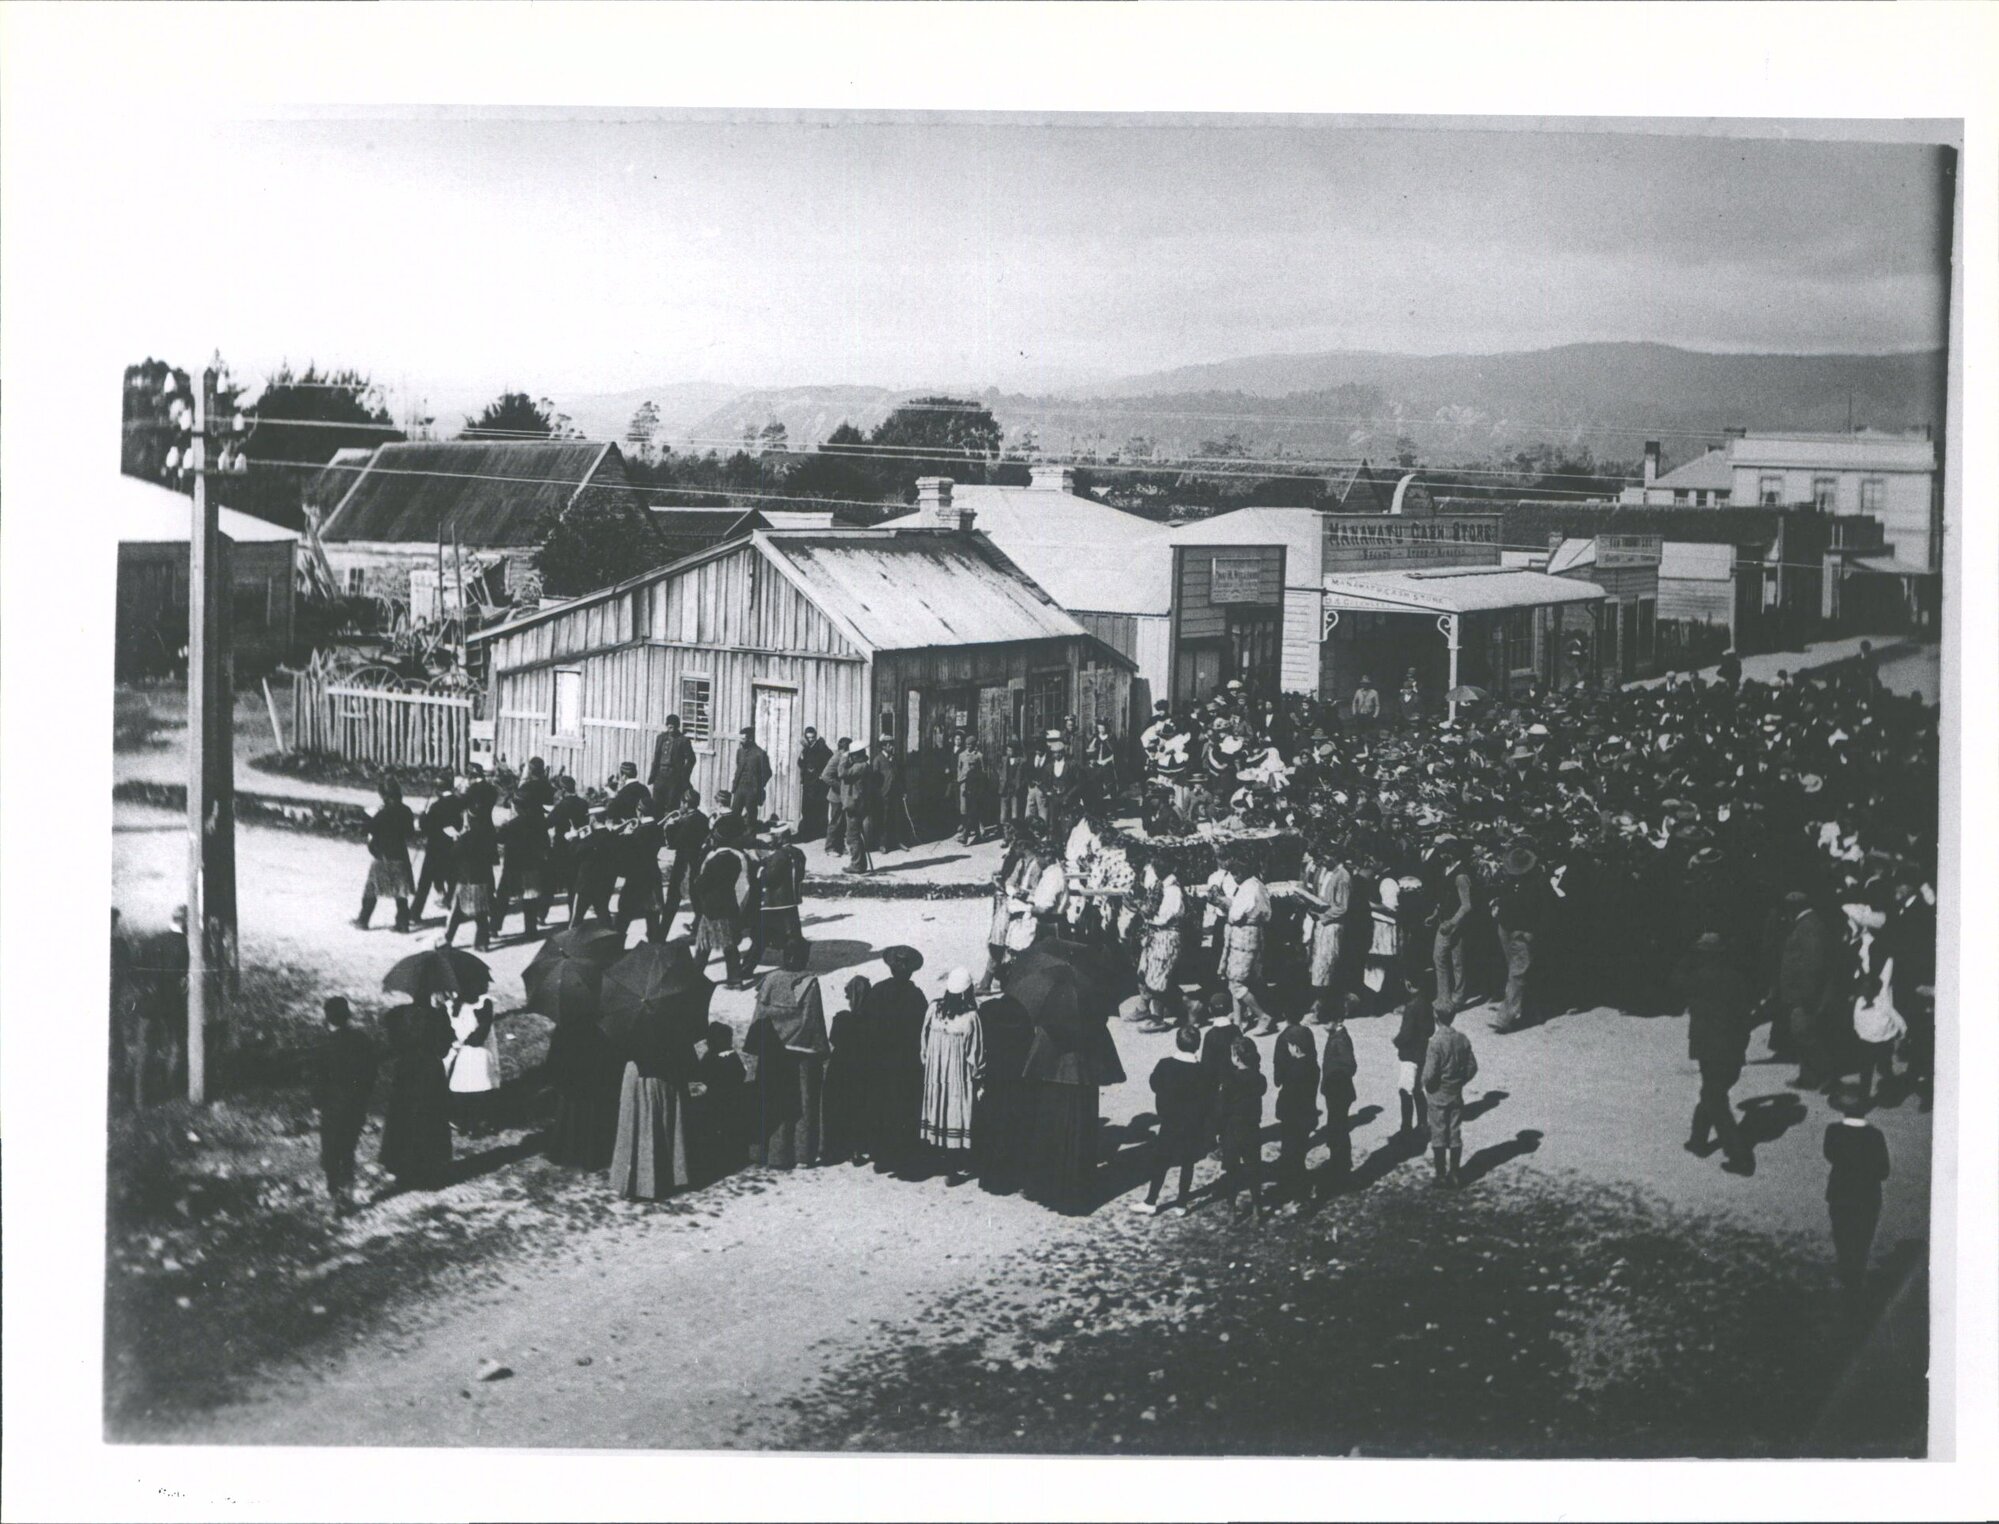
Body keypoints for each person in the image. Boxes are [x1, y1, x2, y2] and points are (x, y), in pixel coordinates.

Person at [608, 944, 703, 1201]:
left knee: (634, 1129)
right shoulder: (674, 1017)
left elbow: (618, 1051)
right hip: (665, 1079)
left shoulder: (624, 1015)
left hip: (635, 1077)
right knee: (664, 1128)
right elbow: (689, 1059)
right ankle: (666, 1177)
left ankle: (633, 1180)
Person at [743, 939, 831, 1170]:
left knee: (772, 1100)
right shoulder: (809, 983)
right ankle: (802, 1155)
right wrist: (821, 1050)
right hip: (801, 1054)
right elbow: (813, 1019)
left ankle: (769, 1154)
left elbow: (759, 1016)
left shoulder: (770, 980)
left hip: (772, 1052)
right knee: (803, 1102)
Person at [1675, 930, 1754, 1175]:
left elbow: (1675, 981)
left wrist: (1687, 956)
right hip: (1732, 1047)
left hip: (1710, 1049)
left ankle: (1740, 1158)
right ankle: (1697, 1141)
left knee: (1715, 1099)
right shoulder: (1737, 978)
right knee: (1712, 1091)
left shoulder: (1697, 978)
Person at [850, 945, 929, 1173]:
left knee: (879, 1106)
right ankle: (898, 1155)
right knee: (901, 1108)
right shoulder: (916, 996)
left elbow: (866, 1025)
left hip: (879, 1061)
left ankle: (879, 1153)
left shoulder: (878, 991)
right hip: (904, 1063)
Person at [1824, 1094, 1890, 1314]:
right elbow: (1884, 1171)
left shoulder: (1833, 1131)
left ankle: (1846, 1278)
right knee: (1863, 1238)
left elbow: (1829, 1154)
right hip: (1868, 1194)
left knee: (1842, 1235)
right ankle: (1857, 1279)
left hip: (1841, 1191)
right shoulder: (1876, 1135)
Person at [379, 996, 452, 1192]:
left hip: (406, 1070)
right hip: (429, 1071)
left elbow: (392, 1042)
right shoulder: (438, 1016)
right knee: (430, 1118)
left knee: (403, 1117)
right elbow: (445, 1048)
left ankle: (403, 1171)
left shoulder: (398, 1014)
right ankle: (429, 1172)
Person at [1132, 1025, 1205, 1217]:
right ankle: (1181, 1204)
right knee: (1188, 1163)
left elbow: (1154, 1084)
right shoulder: (1202, 1070)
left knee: (1161, 1161)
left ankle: (1151, 1201)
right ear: (1198, 1046)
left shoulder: (1165, 1064)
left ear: (1177, 1042)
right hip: (1192, 1125)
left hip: (1169, 1122)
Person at [919, 968, 985, 1182]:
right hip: (957, 1075)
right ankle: (953, 1168)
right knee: (955, 1111)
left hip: (936, 1073)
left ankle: (937, 1156)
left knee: (938, 1109)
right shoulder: (970, 1017)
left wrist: (929, 1062)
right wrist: (978, 1075)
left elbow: (924, 1041)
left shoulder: (934, 1009)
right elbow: (975, 1053)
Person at [1777, 891, 1847, 1091]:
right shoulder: (1808, 923)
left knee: (1804, 1034)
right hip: (1801, 994)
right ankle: (1808, 1078)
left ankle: (1828, 1076)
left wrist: (1805, 996)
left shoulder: (1808, 927)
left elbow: (1812, 965)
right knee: (1802, 1034)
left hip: (1805, 996)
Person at [313, 996, 377, 1213]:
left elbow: (318, 1078)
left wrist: (317, 1104)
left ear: (328, 1018)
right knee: (348, 1149)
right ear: (347, 1016)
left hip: (332, 1106)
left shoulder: (325, 1045)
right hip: (356, 1104)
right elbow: (372, 1072)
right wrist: (365, 1096)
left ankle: (334, 1194)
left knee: (331, 1149)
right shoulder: (362, 1040)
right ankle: (347, 1193)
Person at [543, 1001, 624, 1170]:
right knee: (594, 1114)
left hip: (576, 1076)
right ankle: (595, 1154)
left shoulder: (569, 1014)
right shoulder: (610, 1014)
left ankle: (570, 1151)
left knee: (573, 1113)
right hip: (595, 1077)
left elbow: (555, 1057)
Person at [974, 990, 1035, 1193]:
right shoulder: (1026, 1015)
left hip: (995, 1079)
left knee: (993, 1127)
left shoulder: (988, 1010)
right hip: (1016, 1081)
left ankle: (991, 1177)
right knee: (1014, 1128)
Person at [1845, 898, 1905, 1108]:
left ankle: (1866, 1096)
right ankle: (1886, 1091)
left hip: (1873, 1008)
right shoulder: (1875, 947)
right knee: (1880, 1054)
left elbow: (1875, 984)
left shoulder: (1870, 948)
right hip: (1878, 1007)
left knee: (1868, 1056)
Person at [1492, 844, 1555, 1034]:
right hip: (1506, 930)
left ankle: (1505, 1017)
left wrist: (1532, 932)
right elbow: (1503, 900)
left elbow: (1546, 913)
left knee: (1517, 974)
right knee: (1517, 972)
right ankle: (1532, 1011)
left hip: (1522, 934)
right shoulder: (1510, 881)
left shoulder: (1540, 883)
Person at [1421, 1002, 1478, 1189]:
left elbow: (1430, 1073)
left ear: (1435, 1017)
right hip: (1455, 1094)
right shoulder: (1462, 1039)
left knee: (1438, 1133)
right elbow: (1472, 1067)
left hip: (1437, 1095)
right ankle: (1455, 1173)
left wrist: (1426, 1084)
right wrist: (1459, 1082)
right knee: (1454, 1132)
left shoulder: (1435, 1042)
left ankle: (1440, 1175)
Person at [1220, 851, 1277, 1035]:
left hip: (1244, 935)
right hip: (1252, 934)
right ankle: (1238, 1021)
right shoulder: (1257, 885)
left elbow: (1236, 914)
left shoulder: (1248, 888)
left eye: (1236, 873)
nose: (1234, 877)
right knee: (1240, 979)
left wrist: (1224, 902)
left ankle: (1262, 1016)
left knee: (1236, 982)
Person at [690, 817, 753, 984]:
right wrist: (740, 907)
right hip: (729, 907)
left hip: (711, 909)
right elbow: (744, 885)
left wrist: (697, 885)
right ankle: (734, 979)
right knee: (730, 946)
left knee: (703, 946)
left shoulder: (712, 859)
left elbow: (701, 883)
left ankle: (694, 977)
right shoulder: (739, 857)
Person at [1217, 1034, 1268, 1224]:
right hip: (1252, 1129)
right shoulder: (1259, 1078)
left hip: (1232, 1130)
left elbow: (1222, 1109)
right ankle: (1257, 1207)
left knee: (1232, 1171)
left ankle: (1232, 1208)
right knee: (1254, 1168)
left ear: (1236, 1057)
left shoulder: (1229, 1081)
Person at [822, 974, 872, 1166]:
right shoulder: (873, 1020)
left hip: (841, 1068)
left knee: (840, 1108)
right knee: (860, 1108)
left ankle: (836, 1148)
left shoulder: (842, 1019)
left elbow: (833, 1039)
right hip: (863, 1068)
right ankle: (857, 1149)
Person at [745, 823, 807, 974]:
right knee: (792, 937)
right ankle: (792, 966)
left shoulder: (779, 855)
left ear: (782, 837)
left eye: (774, 836)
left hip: (773, 904)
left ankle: (745, 970)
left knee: (760, 939)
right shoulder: (798, 853)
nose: (771, 839)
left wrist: (759, 868)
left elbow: (768, 878)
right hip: (791, 902)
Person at [357, 781, 418, 932]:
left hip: (382, 855)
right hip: (400, 855)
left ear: (384, 796)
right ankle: (402, 924)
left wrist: (368, 817)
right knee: (401, 892)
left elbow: (367, 830)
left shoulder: (383, 813)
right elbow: (410, 833)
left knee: (372, 889)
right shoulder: (406, 811)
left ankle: (363, 920)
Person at [1271, 1017, 1320, 1207]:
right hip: (1306, 1118)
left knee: (1293, 1158)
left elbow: (1287, 1098)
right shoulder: (1312, 1066)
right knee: (1298, 1155)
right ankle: (1296, 1190)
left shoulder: (1294, 1072)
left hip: (1293, 1120)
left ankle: (1300, 1197)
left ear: (1296, 1048)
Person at [442, 799, 498, 952]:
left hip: (467, 879)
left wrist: (456, 839)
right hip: (483, 878)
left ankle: (448, 938)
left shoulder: (467, 837)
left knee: (457, 911)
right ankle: (482, 942)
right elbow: (494, 858)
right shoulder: (489, 834)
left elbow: (453, 854)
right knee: (481, 912)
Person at [1429, 837, 1477, 1014]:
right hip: (1447, 920)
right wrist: (1435, 914)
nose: (1441, 856)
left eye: (1443, 853)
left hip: (1451, 923)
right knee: (1457, 960)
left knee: (1439, 958)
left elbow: (1467, 905)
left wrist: (1451, 922)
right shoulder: (1448, 870)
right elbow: (1446, 897)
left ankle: (1444, 998)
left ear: (1450, 854)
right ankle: (1458, 997)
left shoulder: (1461, 875)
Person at [1305, 843, 1353, 1022]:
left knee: (1326, 966)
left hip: (1332, 925)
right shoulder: (1327, 872)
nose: (1323, 861)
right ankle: (1318, 1006)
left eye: (1326, 857)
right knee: (1317, 965)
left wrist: (1323, 915)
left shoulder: (1343, 876)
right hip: (1321, 923)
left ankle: (1321, 1010)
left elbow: (1342, 907)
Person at [495, 794, 552, 942]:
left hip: (512, 867)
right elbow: (546, 844)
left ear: (517, 808)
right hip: (531, 867)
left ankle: (494, 927)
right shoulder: (539, 824)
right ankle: (530, 930)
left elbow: (499, 839)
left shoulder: (511, 824)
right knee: (530, 899)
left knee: (503, 897)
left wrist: (502, 826)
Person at [1136, 865, 1185, 1029]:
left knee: (1157, 977)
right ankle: (1145, 1009)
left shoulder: (1172, 890)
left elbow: (1163, 917)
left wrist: (1144, 911)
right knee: (1144, 972)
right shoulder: (1159, 885)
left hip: (1166, 935)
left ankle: (1158, 1018)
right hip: (1154, 934)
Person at [410, 773, 462, 923]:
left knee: (424, 882)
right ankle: (450, 904)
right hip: (450, 846)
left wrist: (423, 815)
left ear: (438, 789)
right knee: (451, 878)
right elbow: (458, 823)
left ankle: (415, 913)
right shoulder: (457, 802)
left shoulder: (436, 806)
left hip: (434, 848)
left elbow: (425, 827)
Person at [1319, 997, 1359, 1190]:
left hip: (1338, 1092)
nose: (1323, 1026)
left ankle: (1341, 1169)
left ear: (1336, 1020)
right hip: (1337, 1092)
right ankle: (1339, 1166)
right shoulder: (1337, 1035)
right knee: (1336, 1129)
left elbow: (1350, 1066)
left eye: (1326, 1022)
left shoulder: (1340, 1040)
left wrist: (1335, 1078)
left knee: (1338, 1131)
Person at [659, 786, 709, 935]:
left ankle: (662, 934)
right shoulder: (702, 818)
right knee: (696, 898)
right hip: (697, 862)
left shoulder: (685, 822)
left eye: (682, 803)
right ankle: (698, 928)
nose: (680, 806)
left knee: (672, 899)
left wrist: (669, 828)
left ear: (686, 804)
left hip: (683, 863)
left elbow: (673, 844)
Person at [842, 741, 877, 875]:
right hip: (861, 804)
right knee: (857, 836)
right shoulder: (864, 766)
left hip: (855, 806)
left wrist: (844, 758)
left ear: (855, 755)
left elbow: (842, 773)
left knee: (852, 836)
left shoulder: (859, 767)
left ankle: (856, 865)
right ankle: (860, 864)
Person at [874, 739, 913, 852]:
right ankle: (882, 844)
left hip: (896, 794)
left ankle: (899, 842)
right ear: (884, 747)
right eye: (889, 745)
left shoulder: (895, 759)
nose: (891, 747)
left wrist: (904, 791)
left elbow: (901, 777)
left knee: (897, 818)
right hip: (883, 794)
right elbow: (875, 780)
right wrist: (877, 794)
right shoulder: (878, 760)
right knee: (884, 819)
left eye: (891, 745)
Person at [730, 725, 772, 824]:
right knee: (734, 814)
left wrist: (758, 785)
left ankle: (750, 837)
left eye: (743, 739)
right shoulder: (740, 752)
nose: (741, 741)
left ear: (750, 739)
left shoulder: (760, 753)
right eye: (740, 738)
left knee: (751, 816)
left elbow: (767, 772)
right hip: (739, 787)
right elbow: (738, 768)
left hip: (752, 789)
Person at [798, 726, 833, 842]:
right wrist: (802, 758)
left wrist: (821, 775)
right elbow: (801, 763)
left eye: (812, 737)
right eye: (808, 738)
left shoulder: (822, 748)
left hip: (819, 785)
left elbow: (829, 762)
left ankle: (819, 832)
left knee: (819, 809)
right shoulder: (806, 748)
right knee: (807, 809)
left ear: (816, 736)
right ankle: (809, 832)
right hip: (808, 785)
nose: (811, 740)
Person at [955, 730, 988, 846]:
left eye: (971, 744)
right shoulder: (961, 755)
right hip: (964, 784)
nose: (968, 746)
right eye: (967, 744)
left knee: (973, 809)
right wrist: (960, 779)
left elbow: (984, 771)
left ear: (975, 745)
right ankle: (971, 831)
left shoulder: (979, 756)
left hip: (975, 786)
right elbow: (959, 768)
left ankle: (973, 832)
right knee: (964, 809)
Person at [820, 737, 851, 857]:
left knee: (842, 822)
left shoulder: (845, 757)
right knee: (835, 822)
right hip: (836, 796)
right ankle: (830, 847)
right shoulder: (836, 758)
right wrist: (840, 787)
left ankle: (840, 846)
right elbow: (825, 776)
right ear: (843, 749)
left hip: (844, 796)